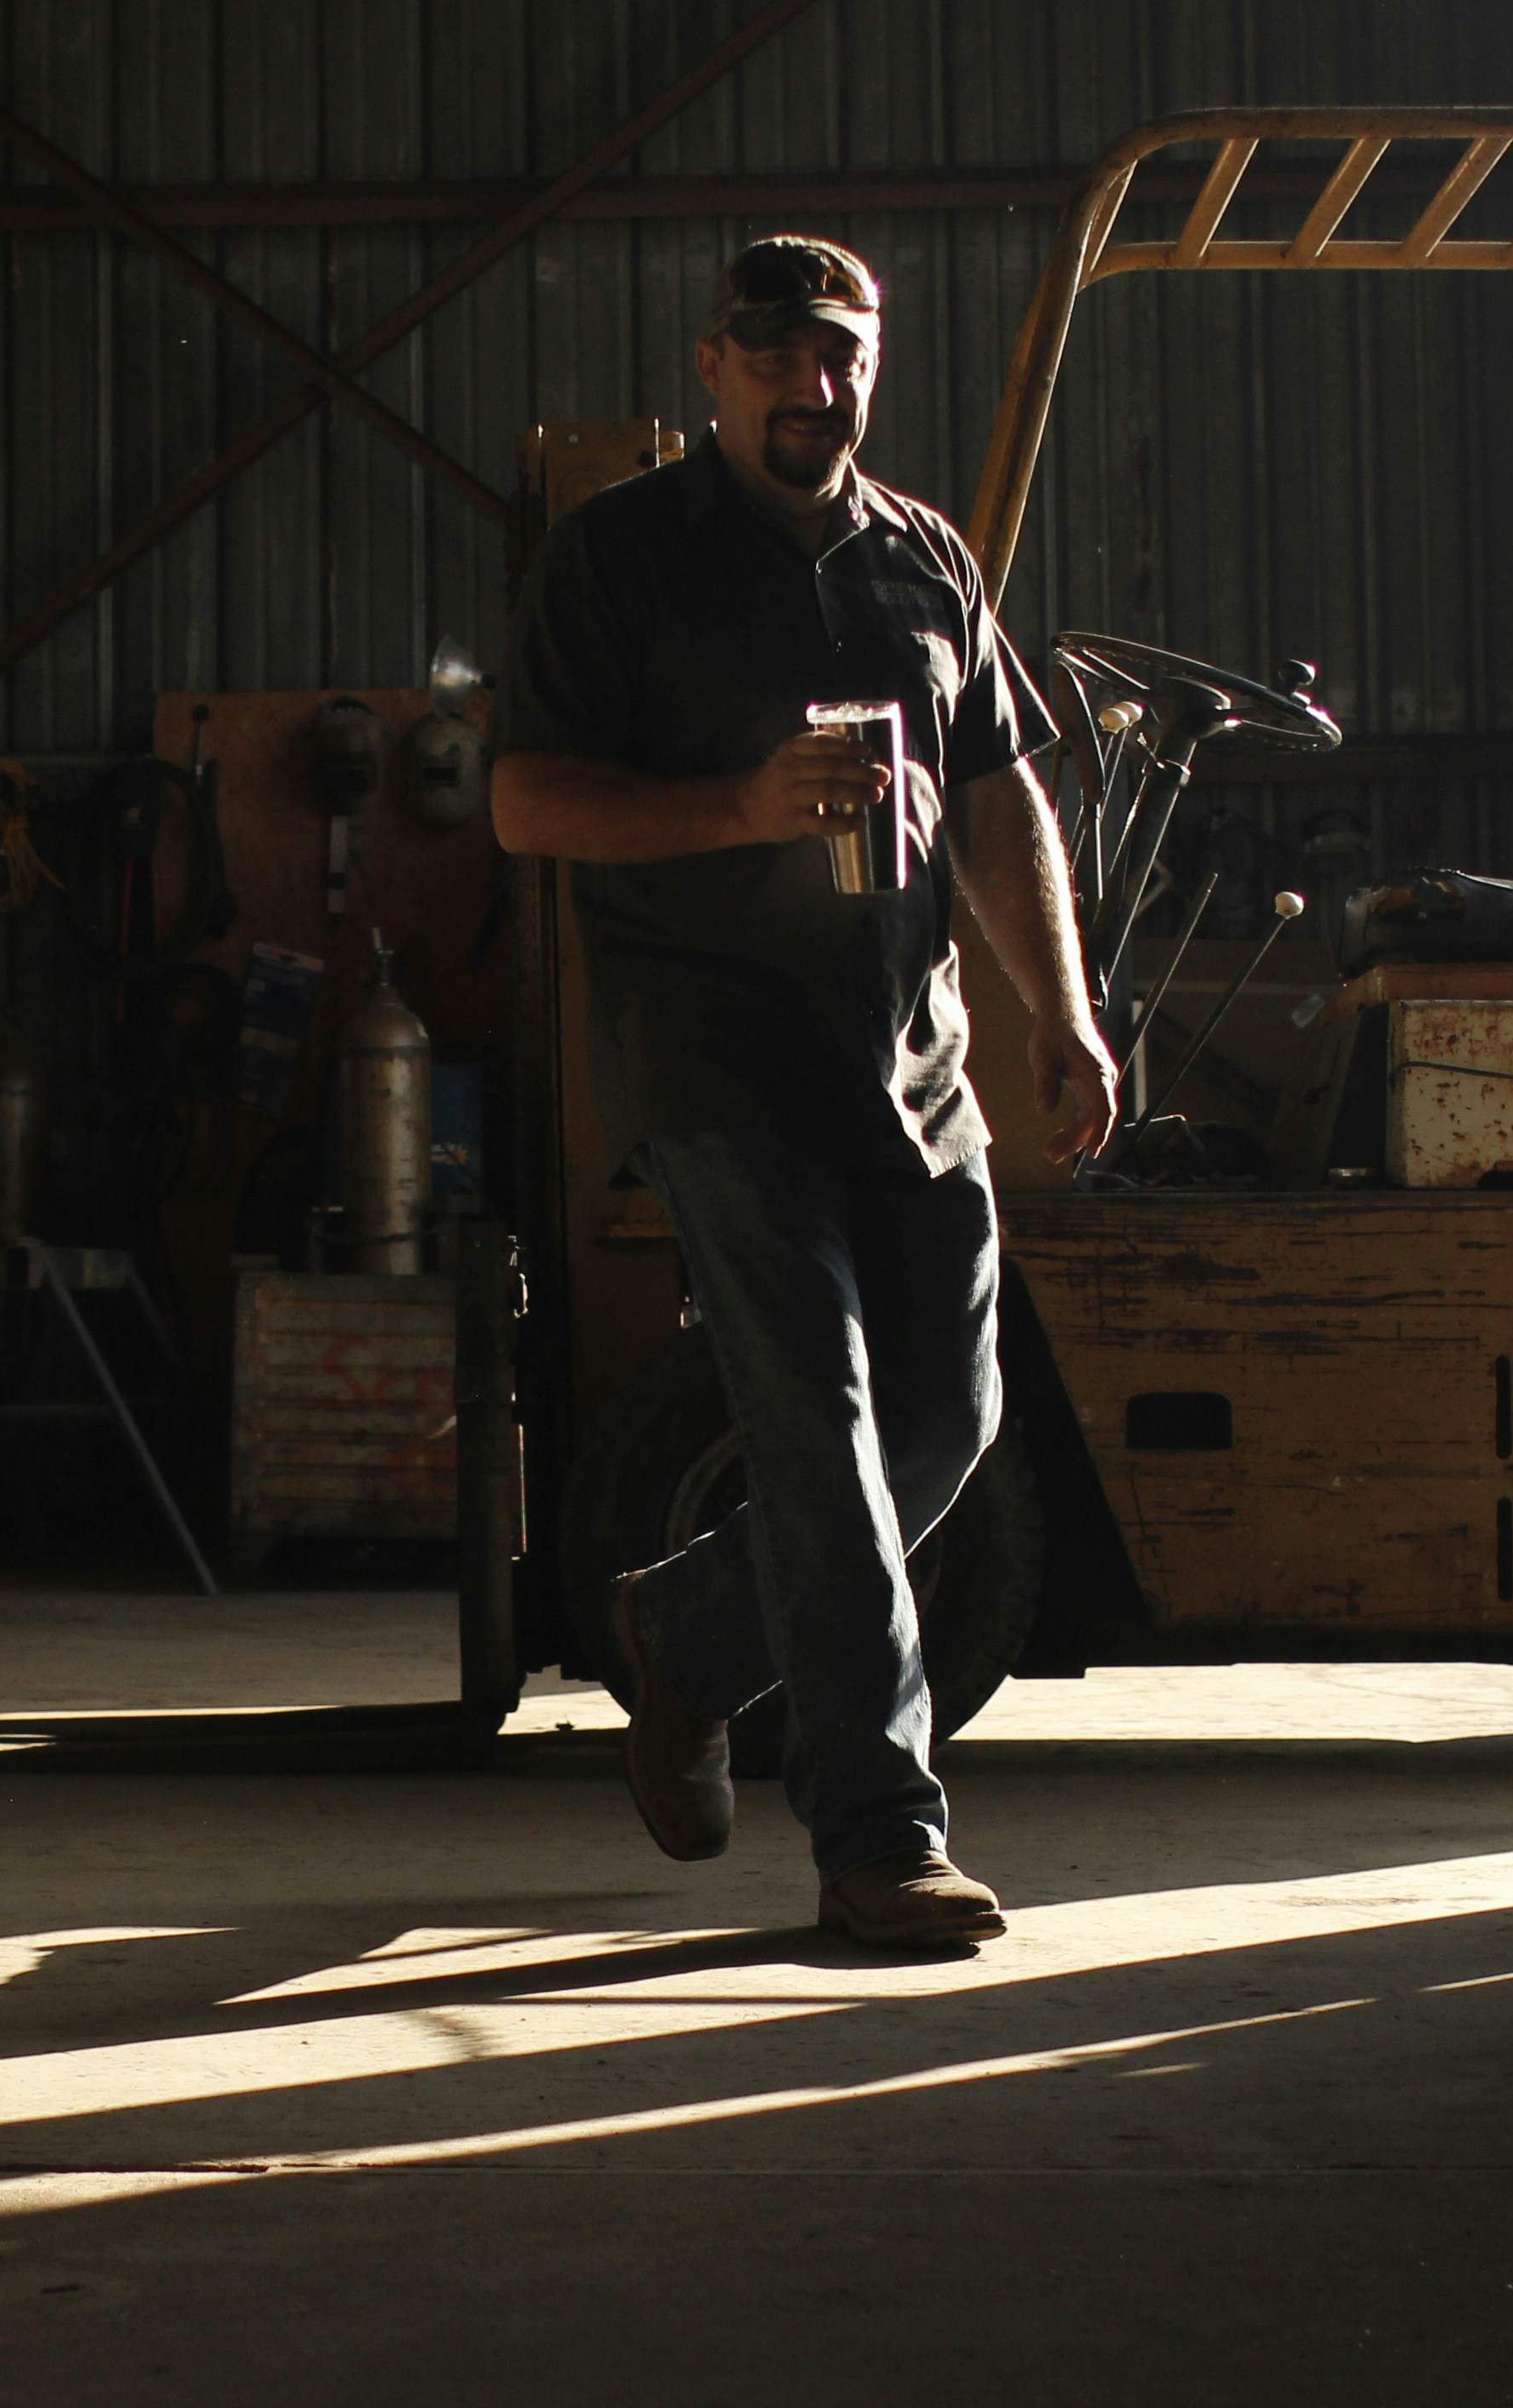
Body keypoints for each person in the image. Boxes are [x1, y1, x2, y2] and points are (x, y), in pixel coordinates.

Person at [489, 236, 1114, 1950]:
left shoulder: (926, 559)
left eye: (836, 353)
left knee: (948, 1426)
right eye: (772, 354)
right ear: (714, 368)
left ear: (868, 364)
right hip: (718, 1068)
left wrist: (1061, 1012)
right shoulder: (620, 561)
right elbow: (530, 804)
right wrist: (744, 809)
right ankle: (877, 1838)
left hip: (914, 1075)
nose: (807, 383)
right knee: (825, 1442)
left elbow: (1001, 803)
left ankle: (684, 1639)